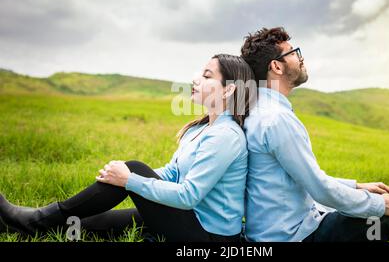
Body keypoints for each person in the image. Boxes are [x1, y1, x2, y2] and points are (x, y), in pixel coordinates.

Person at [0, 54, 256, 242]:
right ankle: (17, 226)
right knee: (86, 224)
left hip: (208, 235)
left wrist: (130, 180)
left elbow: (188, 195)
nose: (195, 79)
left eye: (207, 76)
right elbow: (172, 173)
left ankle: (33, 219)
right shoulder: (199, 128)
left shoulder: (226, 136)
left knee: (133, 169)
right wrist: (121, 179)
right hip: (182, 215)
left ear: (229, 89)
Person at [240, 27, 389, 242]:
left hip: (285, 230)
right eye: (293, 53)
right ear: (276, 66)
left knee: (381, 209)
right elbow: (320, 189)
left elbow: (302, 177)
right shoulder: (276, 119)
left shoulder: (259, 111)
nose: (300, 58)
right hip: (298, 236)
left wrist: (356, 186)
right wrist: (380, 205)